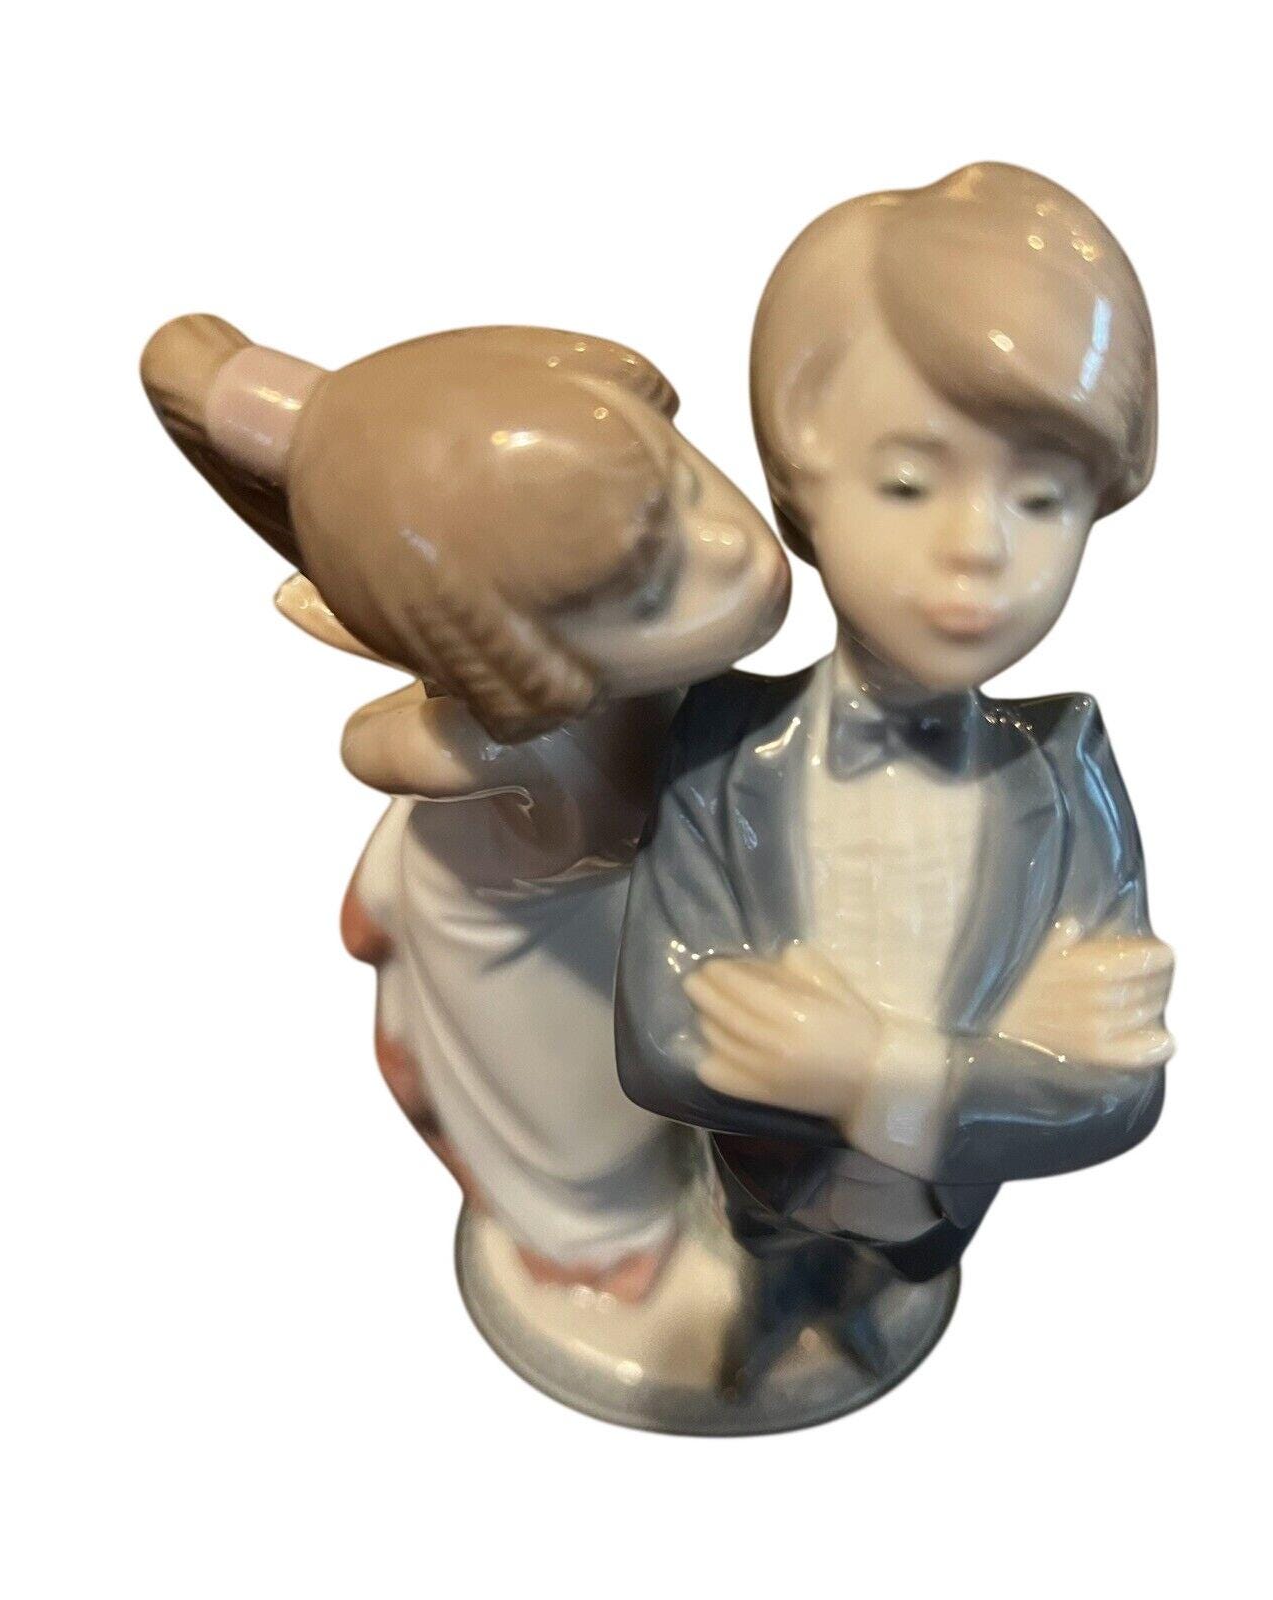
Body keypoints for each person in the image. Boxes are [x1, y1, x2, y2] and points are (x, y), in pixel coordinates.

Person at [615, 164, 1175, 1356]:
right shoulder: (720, 743)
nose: (977, 545)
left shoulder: (1066, 768)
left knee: (891, 1292)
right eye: (909, 482)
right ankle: (761, 1319)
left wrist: (870, 1070)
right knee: (755, 1283)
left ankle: (866, 1311)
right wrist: (1001, 1054)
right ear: (801, 485)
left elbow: (1118, 1089)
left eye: (1042, 499)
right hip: (759, 1182)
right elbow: (665, 1038)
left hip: (942, 1205)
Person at [142, 319, 790, 1296]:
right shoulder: (508, 744)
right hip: (533, 944)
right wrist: (443, 704)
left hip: (588, 898)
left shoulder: (573, 705)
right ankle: (593, 1246)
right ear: (507, 653)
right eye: (645, 591)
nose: (731, 549)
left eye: (685, 482)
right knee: (573, 1119)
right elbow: (365, 747)